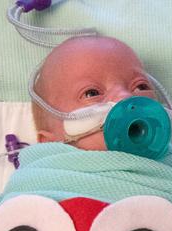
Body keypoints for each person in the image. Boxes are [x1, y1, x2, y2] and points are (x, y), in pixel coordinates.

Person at [30, 35, 160, 151]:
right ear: (51, 144)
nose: (126, 97)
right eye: (91, 93)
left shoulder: (171, 162)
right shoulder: (48, 175)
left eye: (141, 87)